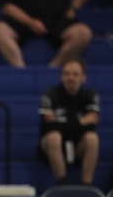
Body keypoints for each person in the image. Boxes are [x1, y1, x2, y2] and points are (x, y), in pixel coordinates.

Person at [37, 57, 100, 186]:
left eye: (75, 74)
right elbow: (47, 127)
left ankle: (86, 186)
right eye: (67, 74)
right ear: (61, 76)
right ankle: (62, 183)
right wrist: (80, 122)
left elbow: (91, 126)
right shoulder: (49, 95)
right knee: (54, 137)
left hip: (78, 145)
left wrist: (59, 122)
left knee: (92, 138)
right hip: (51, 147)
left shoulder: (90, 96)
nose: (71, 78)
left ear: (84, 77)